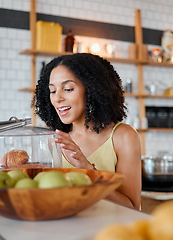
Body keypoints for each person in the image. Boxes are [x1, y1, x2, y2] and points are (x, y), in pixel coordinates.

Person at [34, 53, 141, 209]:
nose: (57, 98)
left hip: (111, 232)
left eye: (68, 89)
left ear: (92, 89)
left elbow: (131, 207)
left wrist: (89, 171)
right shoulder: (51, 139)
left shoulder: (123, 136)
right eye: (52, 91)